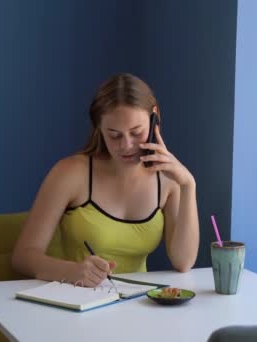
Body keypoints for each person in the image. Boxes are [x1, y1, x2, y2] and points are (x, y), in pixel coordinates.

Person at [11, 73, 200, 287]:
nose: (126, 145)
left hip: (137, 306)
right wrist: (72, 271)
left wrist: (188, 185)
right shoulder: (71, 173)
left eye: (136, 132)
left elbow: (183, 262)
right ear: (99, 128)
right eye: (114, 135)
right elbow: (23, 257)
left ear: (154, 117)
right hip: (77, 302)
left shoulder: (168, 180)